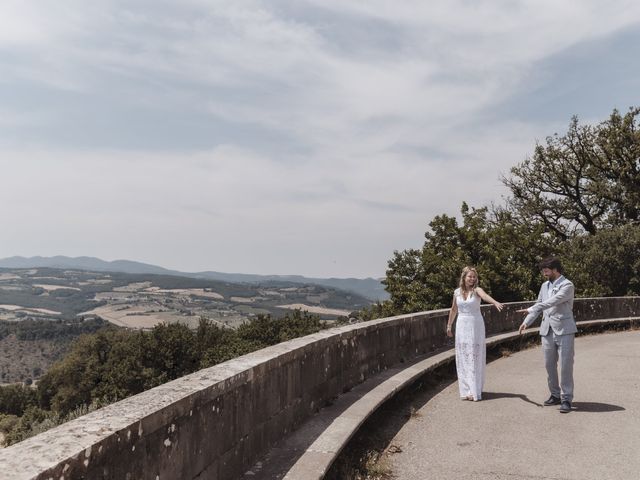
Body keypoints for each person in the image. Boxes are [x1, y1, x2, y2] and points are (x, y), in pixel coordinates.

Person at [517, 257, 576, 413]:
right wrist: (527, 321)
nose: (544, 273)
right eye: (543, 270)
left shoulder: (567, 285)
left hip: (564, 329)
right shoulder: (544, 286)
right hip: (547, 330)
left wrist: (531, 308)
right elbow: (539, 304)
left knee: (565, 366)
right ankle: (555, 395)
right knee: (549, 365)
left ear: (555, 269)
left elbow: (552, 302)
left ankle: (566, 399)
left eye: (546, 270)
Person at [446, 266, 503, 401]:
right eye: (469, 276)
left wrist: (494, 302)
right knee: (463, 357)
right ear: (464, 278)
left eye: (474, 277)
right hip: (461, 325)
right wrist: (449, 326)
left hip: (474, 325)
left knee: (474, 356)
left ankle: (474, 390)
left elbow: (485, 296)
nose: (472, 279)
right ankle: (466, 390)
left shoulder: (477, 290)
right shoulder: (457, 292)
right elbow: (453, 310)